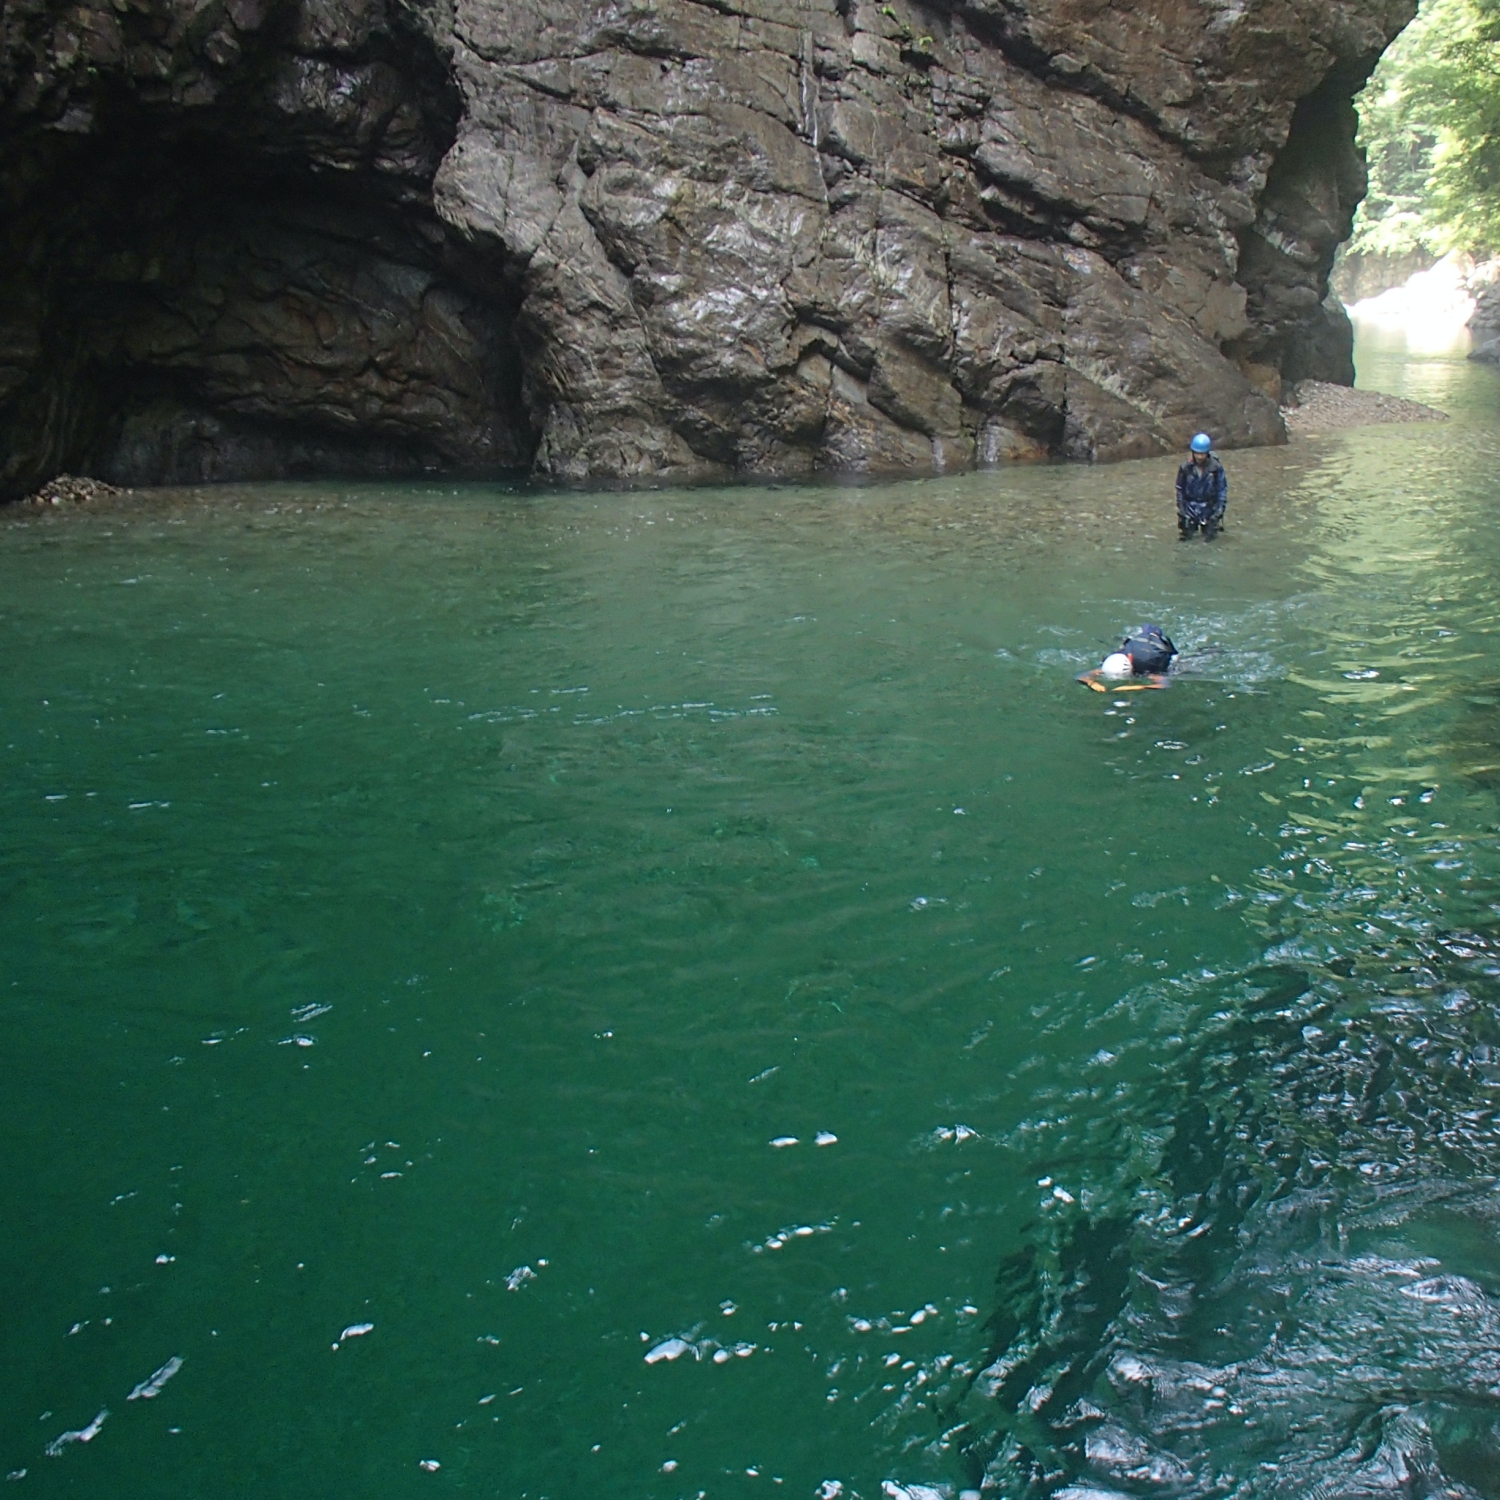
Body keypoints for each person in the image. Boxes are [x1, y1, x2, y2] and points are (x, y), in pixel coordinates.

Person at [1077, 623, 1177, 691]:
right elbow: (1082, 676)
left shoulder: (1147, 669)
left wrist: (1136, 687)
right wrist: (1091, 683)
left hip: (1154, 648)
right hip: (1136, 647)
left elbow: (1164, 684)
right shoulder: (1115, 660)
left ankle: (1152, 633)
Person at [1176, 432, 1227, 539]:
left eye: (1202, 454)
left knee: (1210, 539)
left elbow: (1221, 489)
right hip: (1190, 507)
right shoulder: (1186, 468)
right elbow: (1180, 489)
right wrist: (1182, 509)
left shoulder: (1216, 468)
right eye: (1197, 453)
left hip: (1209, 507)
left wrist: (1219, 510)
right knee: (1187, 538)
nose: (1199, 457)